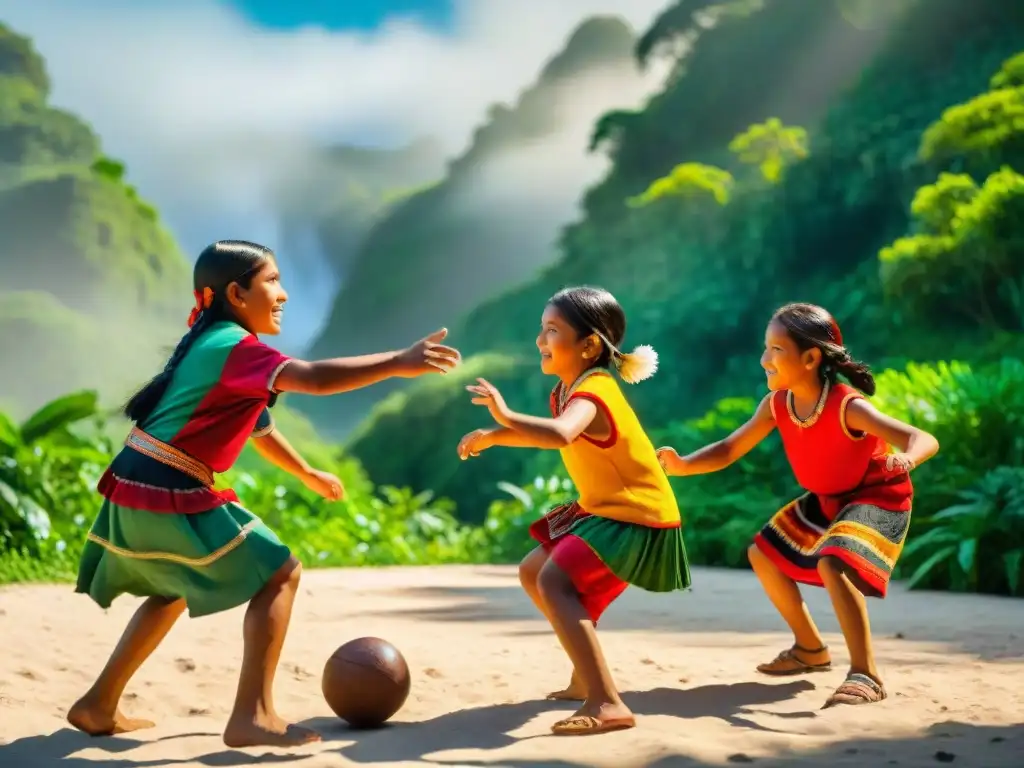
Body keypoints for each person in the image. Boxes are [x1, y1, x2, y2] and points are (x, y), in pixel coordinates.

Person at [69, 240, 460, 748]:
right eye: (272, 280)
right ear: (235, 292)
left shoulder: (210, 341)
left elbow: (259, 426)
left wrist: (307, 473)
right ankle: (252, 715)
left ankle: (99, 704)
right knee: (281, 572)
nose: (284, 293)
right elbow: (314, 379)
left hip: (133, 483)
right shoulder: (234, 345)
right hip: (166, 485)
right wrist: (397, 361)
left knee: (171, 587)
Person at [657, 302, 939, 709]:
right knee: (762, 554)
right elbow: (729, 448)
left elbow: (921, 437)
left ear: (810, 358)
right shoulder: (777, 405)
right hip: (826, 501)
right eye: (765, 348)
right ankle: (809, 648)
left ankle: (866, 673)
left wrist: (907, 459)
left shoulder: (848, 406)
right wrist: (683, 466)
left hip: (876, 496)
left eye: (776, 350)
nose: (764, 359)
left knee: (833, 563)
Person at [457, 285, 690, 736]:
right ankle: (585, 673)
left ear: (588, 346)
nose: (541, 341)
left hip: (637, 516)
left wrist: (504, 416)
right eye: (541, 330)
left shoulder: (595, 390)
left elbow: (562, 434)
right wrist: (496, 434)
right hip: (605, 510)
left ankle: (607, 701)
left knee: (553, 580)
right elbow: (549, 431)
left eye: (552, 331)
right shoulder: (568, 389)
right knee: (533, 572)